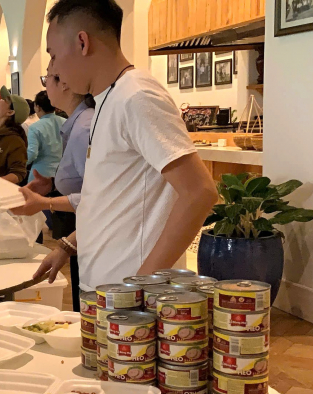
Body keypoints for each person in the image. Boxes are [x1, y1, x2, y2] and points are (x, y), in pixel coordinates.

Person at [32, 0, 217, 291]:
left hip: (131, 299)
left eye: (53, 55)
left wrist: (140, 286)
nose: (53, 68)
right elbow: (107, 198)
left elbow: (199, 193)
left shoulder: (137, 96)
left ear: (82, 42)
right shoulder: (108, 99)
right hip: (108, 291)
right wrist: (67, 246)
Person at [12, 77, 95, 310]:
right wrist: (52, 184)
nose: (45, 84)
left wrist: (46, 202)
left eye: (48, 77)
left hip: (91, 226)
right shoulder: (72, 122)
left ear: (65, 83)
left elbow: (100, 196)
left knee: (87, 296)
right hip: (81, 219)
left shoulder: (84, 127)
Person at [26, 90, 67, 183]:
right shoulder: (66, 122)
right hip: (62, 174)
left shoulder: (35, 127)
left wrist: (20, 165)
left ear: (37, 107)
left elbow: (32, 153)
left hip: (40, 173)